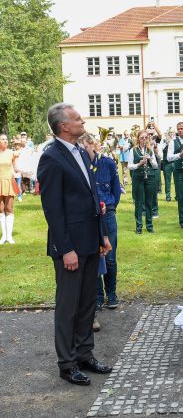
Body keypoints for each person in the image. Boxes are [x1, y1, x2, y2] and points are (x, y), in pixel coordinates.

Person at [37, 103, 112, 386]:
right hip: (70, 246)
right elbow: (53, 210)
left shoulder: (81, 151)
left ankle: (84, 354)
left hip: (90, 241)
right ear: (64, 126)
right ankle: (67, 364)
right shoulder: (52, 158)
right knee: (68, 306)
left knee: (86, 303)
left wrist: (102, 234)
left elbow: (94, 199)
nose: (83, 121)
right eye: (77, 118)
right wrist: (65, 248)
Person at [79, 133, 121, 310]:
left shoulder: (107, 163)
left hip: (107, 213)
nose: (82, 152)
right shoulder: (80, 166)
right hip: (89, 216)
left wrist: (110, 206)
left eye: (85, 148)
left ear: (92, 145)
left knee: (109, 256)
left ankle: (111, 293)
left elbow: (116, 189)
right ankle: (97, 296)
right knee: (93, 256)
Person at [128, 129, 158, 234]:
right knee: (139, 203)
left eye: (146, 137)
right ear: (138, 139)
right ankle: (139, 227)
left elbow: (156, 166)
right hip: (138, 178)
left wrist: (150, 159)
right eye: (142, 138)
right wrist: (139, 164)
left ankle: (149, 226)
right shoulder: (133, 150)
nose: (144, 140)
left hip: (149, 177)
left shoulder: (150, 150)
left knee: (149, 203)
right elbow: (129, 166)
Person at [0, 134, 20, 244]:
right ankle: (3, 236)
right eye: (3, 139)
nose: (5, 141)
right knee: (1, 209)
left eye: (6, 139)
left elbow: (16, 167)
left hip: (8, 181)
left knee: (9, 208)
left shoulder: (11, 153)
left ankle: (9, 236)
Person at [160, 129, 176, 202]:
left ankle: (177, 196)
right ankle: (168, 196)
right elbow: (161, 149)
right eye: (170, 134)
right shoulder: (164, 142)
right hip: (166, 163)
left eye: (173, 134)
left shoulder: (176, 141)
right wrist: (167, 143)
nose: (171, 136)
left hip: (175, 162)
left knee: (177, 181)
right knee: (167, 180)